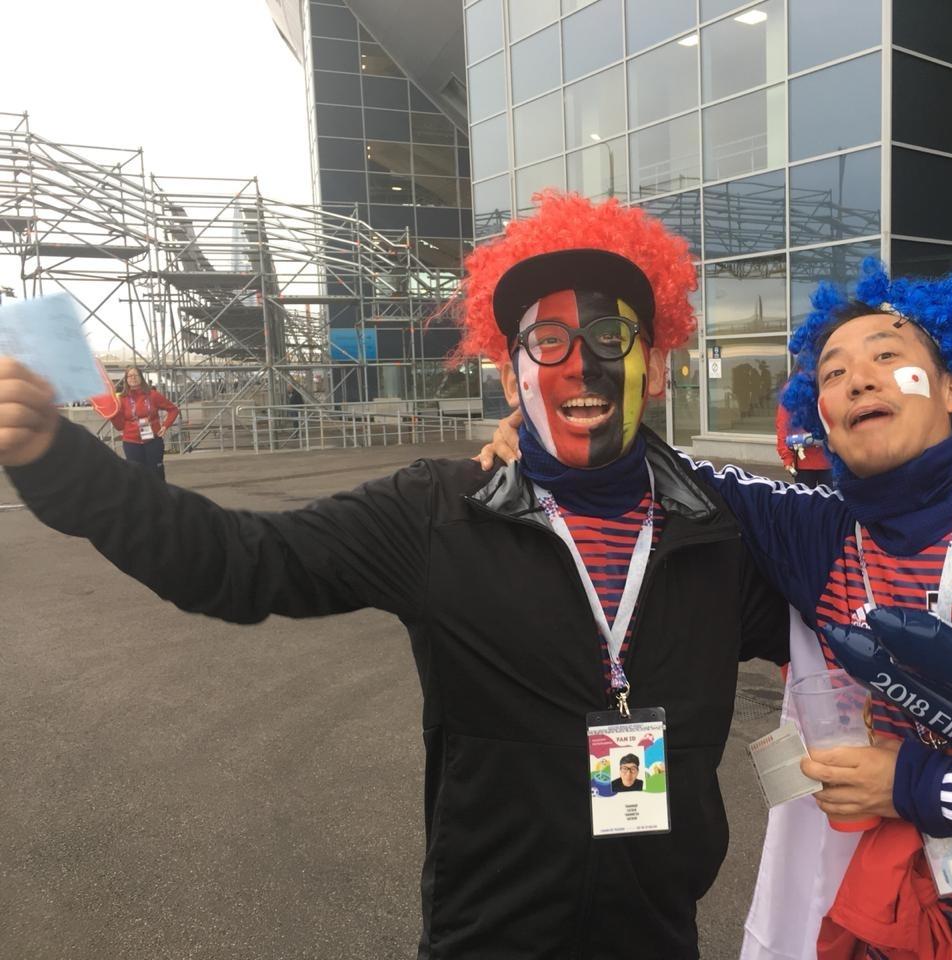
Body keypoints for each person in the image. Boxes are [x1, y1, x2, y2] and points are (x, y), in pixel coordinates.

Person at [0, 190, 788, 959]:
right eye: (547, 341)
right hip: (491, 936)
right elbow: (237, 564)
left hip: (657, 936)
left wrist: (909, 774)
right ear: (510, 378)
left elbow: (850, 632)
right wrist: (60, 462)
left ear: (657, 367)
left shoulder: (719, 533)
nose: (581, 365)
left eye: (612, 337)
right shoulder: (437, 514)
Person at [483, 259, 952, 958]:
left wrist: (916, 785)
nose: (857, 377)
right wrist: (547, 436)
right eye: (831, 373)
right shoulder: (819, 534)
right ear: (820, 417)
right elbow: (657, 470)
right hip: (891, 926)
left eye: (887, 356)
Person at [110, 365, 178, 480]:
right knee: (136, 475)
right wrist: (112, 414)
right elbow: (119, 426)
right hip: (131, 443)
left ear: (141, 377)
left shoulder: (153, 395)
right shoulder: (122, 399)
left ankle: (159, 496)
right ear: (126, 380)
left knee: (156, 472)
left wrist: (166, 425)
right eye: (129, 376)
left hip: (153, 441)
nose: (133, 378)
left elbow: (173, 410)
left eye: (135, 375)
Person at [775, 395, 832, 486]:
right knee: (806, 498)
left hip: (830, 459)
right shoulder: (794, 388)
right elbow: (783, 425)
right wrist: (787, 456)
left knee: (831, 498)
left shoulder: (830, 385)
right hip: (804, 461)